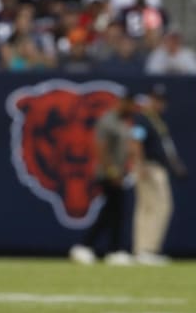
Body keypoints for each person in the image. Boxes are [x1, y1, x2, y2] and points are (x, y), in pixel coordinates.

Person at [69, 92, 136, 265]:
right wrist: (112, 171)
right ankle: (87, 246)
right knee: (111, 212)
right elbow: (101, 148)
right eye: (130, 104)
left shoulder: (123, 122)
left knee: (115, 212)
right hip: (108, 174)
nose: (132, 108)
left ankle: (112, 250)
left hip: (119, 173)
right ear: (122, 102)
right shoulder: (108, 121)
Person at [129, 84, 187, 265]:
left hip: (156, 167)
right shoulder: (143, 119)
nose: (159, 104)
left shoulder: (157, 120)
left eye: (162, 101)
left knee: (150, 208)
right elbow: (136, 141)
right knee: (156, 207)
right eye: (156, 100)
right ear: (150, 99)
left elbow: (166, 147)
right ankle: (146, 250)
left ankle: (144, 250)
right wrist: (140, 164)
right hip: (149, 167)